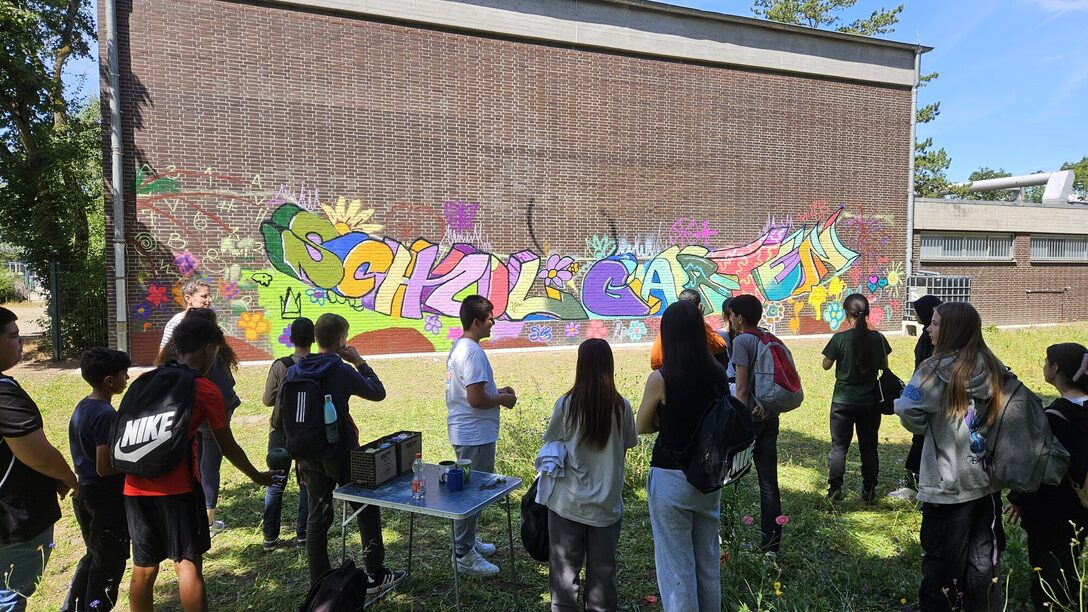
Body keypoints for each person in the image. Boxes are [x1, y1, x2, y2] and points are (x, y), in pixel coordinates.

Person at [124, 316, 275, 612]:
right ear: (208, 348)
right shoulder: (204, 389)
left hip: (134, 487)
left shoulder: (143, 381)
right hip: (178, 490)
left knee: (143, 569)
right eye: (217, 353)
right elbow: (226, 444)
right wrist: (257, 476)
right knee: (187, 565)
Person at [895, 302, 1007, 611]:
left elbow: (907, 408)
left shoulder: (933, 368)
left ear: (952, 330)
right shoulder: (991, 363)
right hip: (986, 480)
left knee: (940, 560)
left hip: (946, 484)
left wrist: (926, 427)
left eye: (934, 323)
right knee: (983, 559)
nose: (928, 329)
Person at [292, 313, 406, 595]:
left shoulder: (295, 370)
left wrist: (297, 457)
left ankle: (318, 581)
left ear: (316, 338)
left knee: (317, 517)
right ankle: (375, 575)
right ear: (342, 340)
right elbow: (378, 393)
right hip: (342, 453)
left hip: (308, 453)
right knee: (366, 509)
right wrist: (360, 362)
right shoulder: (341, 369)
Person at [636, 300, 728, 611]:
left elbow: (641, 425)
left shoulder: (661, 378)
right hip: (708, 475)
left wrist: (665, 419)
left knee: (676, 564)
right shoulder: (718, 373)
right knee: (707, 558)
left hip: (670, 476)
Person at [543, 338, 637, 611]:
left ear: (580, 365)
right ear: (610, 366)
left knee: (564, 574)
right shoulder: (622, 407)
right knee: (603, 574)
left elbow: (552, 446)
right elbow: (623, 452)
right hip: (606, 505)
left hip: (567, 503)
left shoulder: (566, 405)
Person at [0, 307, 79, 611]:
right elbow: (38, 455)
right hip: (13, 519)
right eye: (14, 336)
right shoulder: (4, 396)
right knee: (10, 597)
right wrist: (69, 478)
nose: (21, 342)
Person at [1005, 343, 1088, 609]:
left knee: (1047, 564)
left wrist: (1018, 498)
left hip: (1052, 508)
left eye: (1046, 360)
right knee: (1071, 560)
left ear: (1056, 368)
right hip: (1083, 503)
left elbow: (1037, 465)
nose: (1043, 365)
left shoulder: (1054, 417)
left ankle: (1049, 604)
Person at [445, 295, 517, 576]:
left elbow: (472, 393)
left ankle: (469, 542)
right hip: (474, 434)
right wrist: (503, 399)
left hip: (467, 431)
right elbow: (475, 399)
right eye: (489, 317)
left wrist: (498, 392)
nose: (493, 322)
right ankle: (463, 554)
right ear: (476, 322)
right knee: (472, 495)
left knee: (471, 491)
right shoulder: (472, 352)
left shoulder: (460, 347)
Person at [62, 348, 133, 612]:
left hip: (85, 494)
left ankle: (73, 607)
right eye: (123, 373)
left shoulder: (85, 405)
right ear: (109, 380)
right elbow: (105, 466)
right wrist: (137, 465)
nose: (127, 377)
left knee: (95, 555)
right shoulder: (105, 415)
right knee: (109, 563)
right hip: (104, 499)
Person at [157, 307, 239, 533]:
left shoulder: (173, 354)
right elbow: (225, 387)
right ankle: (208, 520)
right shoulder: (212, 353)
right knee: (210, 464)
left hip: (185, 417)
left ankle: (197, 516)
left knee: (197, 462)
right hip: (210, 417)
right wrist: (258, 476)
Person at [821, 293, 891, 503]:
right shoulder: (878, 338)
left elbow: (825, 365)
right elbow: (884, 366)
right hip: (869, 403)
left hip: (842, 402)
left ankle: (835, 490)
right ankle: (869, 490)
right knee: (869, 447)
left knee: (839, 447)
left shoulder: (839, 339)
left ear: (846, 314)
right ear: (866, 313)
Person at [728, 294, 784, 553]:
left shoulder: (742, 341)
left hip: (749, 419)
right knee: (768, 483)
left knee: (732, 477)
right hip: (770, 416)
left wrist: (738, 423)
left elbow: (740, 389)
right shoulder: (767, 337)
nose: (730, 320)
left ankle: (730, 536)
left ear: (739, 317)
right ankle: (771, 546)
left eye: (731, 315)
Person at [259, 317, 313, 551]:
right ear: (313, 339)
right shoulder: (318, 364)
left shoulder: (280, 365)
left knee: (275, 483)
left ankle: (270, 538)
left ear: (291, 340)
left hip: (280, 432)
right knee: (305, 484)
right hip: (307, 433)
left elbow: (267, 400)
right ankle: (303, 536)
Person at [893, 295, 943, 498]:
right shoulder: (927, 336)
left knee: (921, 439)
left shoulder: (928, 341)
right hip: (924, 394)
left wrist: (909, 397)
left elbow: (921, 374)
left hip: (924, 396)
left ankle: (914, 483)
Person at [649, 289, 726, 371]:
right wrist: (700, 321)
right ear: (699, 307)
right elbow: (720, 346)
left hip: (674, 375)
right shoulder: (700, 328)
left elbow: (655, 363)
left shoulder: (668, 329)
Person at [159, 279, 212, 351]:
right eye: (204, 296)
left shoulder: (208, 320)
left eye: (209, 296)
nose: (210, 300)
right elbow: (163, 352)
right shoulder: (178, 321)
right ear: (188, 298)